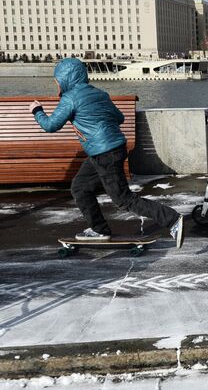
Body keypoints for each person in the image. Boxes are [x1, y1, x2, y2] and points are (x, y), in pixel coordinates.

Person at [29, 58, 185, 248]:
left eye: (57, 80)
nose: (57, 84)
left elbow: (50, 125)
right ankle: (99, 228)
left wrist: (37, 110)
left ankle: (172, 219)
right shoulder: (99, 93)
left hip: (105, 153)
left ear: (64, 79)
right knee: (80, 187)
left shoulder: (70, 98)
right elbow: (118, 118)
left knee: (123, 199)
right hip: (108, 150)